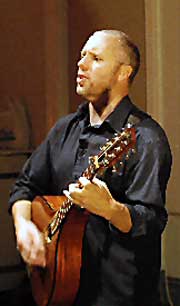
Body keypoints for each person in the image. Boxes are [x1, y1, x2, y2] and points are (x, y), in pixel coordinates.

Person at [9, 29, 172, 306]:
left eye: (95, 58)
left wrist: (110, 209)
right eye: (82, 55)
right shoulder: (65, 128)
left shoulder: (145, 138)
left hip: (117, 294)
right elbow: (25, 187)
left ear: (123, 73)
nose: (81, 64)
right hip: (57, 286)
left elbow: (151, 220)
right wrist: (24, 226)